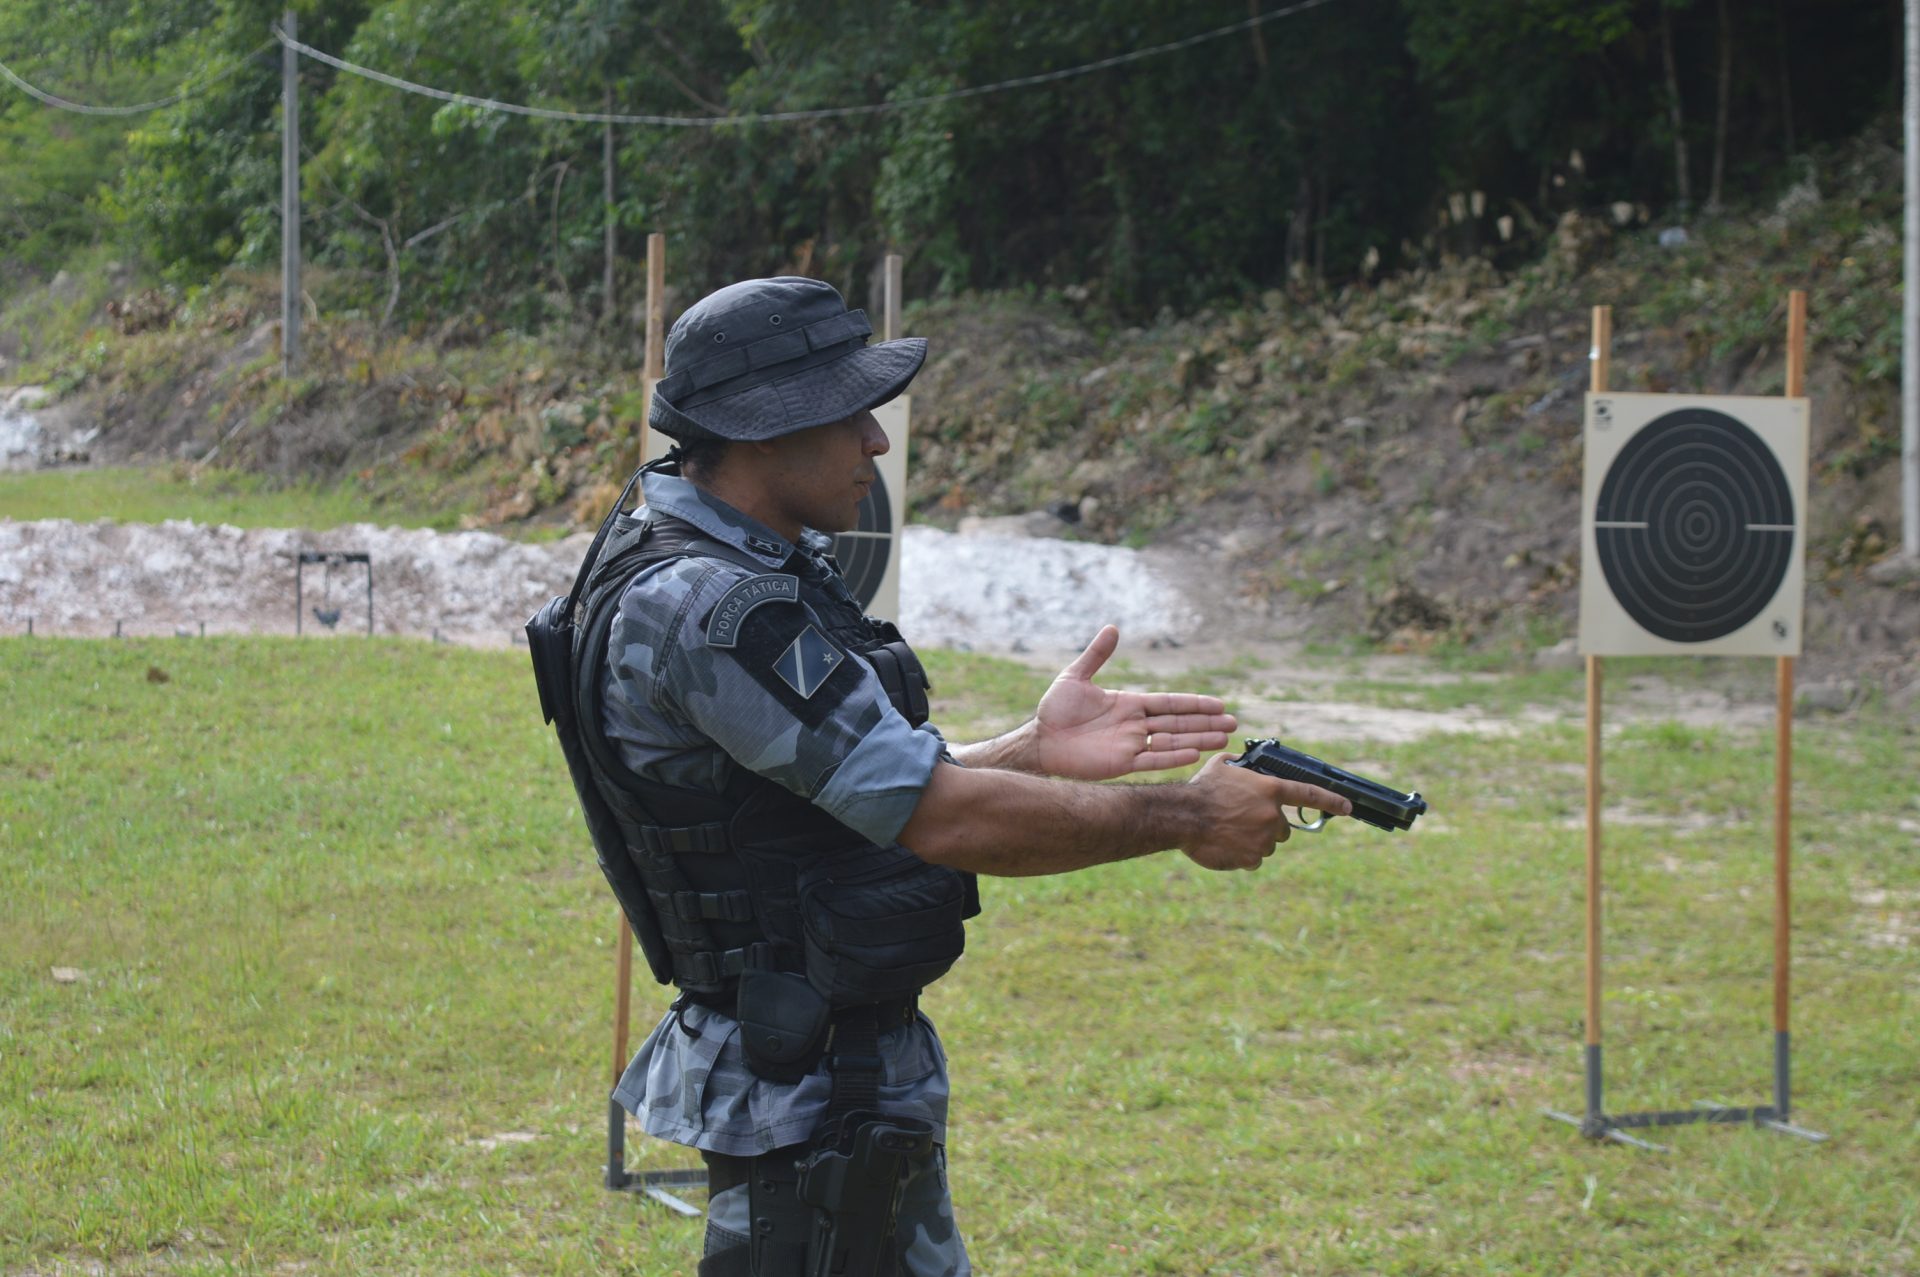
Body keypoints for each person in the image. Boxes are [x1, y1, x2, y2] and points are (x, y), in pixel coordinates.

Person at [542, 276, 1349, 1277]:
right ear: (764, 432)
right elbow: (941, 817)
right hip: (805, 1096)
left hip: (823, 1076)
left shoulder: (718, 567)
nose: (876, 441)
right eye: (848, 415)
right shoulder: (711, 604)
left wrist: (1033, 747)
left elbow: (834, 794)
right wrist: (1188, 814)